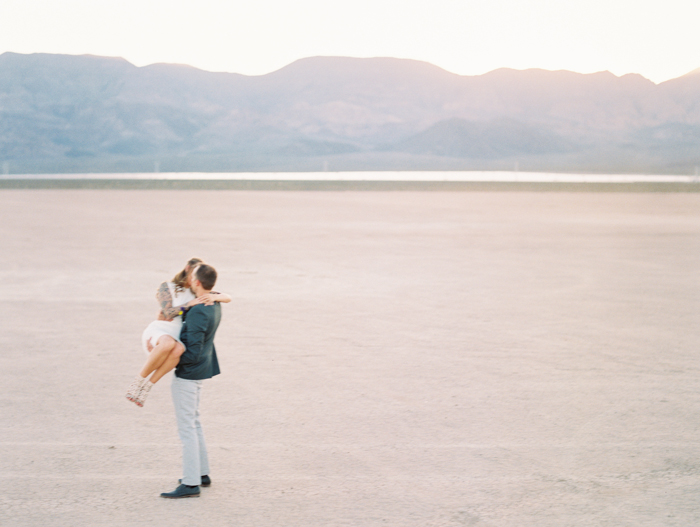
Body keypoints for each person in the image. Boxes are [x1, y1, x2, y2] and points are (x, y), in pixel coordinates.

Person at [126, 258, 230, 407]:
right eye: (193, 274)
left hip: (176, 337)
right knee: (168, 343)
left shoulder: (197, 291)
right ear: (187, 269)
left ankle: (147, 387)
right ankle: (137, 382)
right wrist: (189, 304)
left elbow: (228, 297)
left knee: (179, 349)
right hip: (161, 331)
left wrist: (214, 296)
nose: (194, 279)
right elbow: (167, 313)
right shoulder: (167, 286)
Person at [160, 263, 222, 499]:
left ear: (196, 283)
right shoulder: (213, 302)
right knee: (194, 423)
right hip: (201, 370)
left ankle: (190, 483)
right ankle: (202, 473)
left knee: (187, 427)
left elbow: (193, 350)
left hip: (188, 374)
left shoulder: (198, 310)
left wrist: (170, 358)